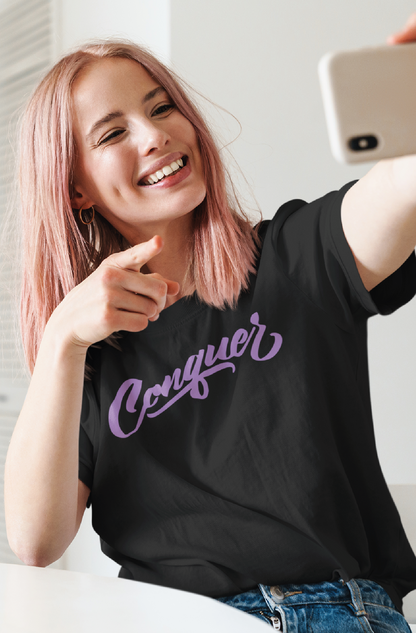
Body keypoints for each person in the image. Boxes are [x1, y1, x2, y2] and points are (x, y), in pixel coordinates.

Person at [4, 13, 416, 633]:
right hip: (169, 621)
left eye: (162, 107)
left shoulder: (294, 257)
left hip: (334, 614)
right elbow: (35, 543)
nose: (155, 135)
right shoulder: (89, 358)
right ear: (75, 189)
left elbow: (400, 187)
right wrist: (62, 338)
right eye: (112, 133)